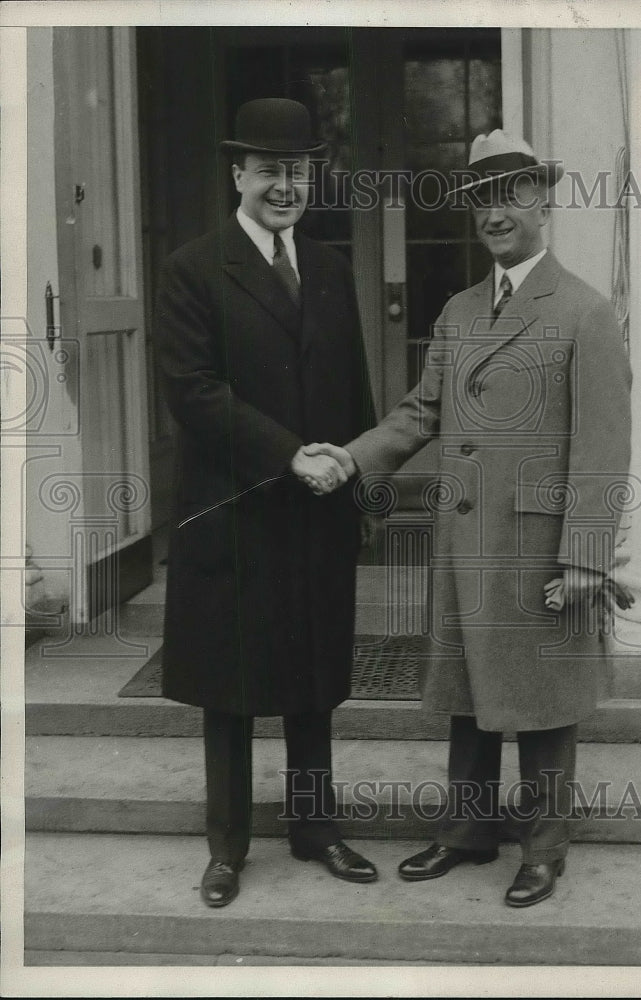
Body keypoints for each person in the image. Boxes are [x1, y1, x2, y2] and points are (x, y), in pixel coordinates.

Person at [308, 130, 632, 907]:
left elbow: (604, 444)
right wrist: (351, 457)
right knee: (468, 694)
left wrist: (585, 554)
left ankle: (545, 851)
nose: (496, 212)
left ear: (543, 201)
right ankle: (467, 831)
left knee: (546, 702)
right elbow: (423, 412)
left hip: (540, 544)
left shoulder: (585, 311)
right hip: (467, 540)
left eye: (513, 193)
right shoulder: (457, 311)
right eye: (482, 197)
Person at [154, 98, 377, 908]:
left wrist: (355, 475)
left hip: (319, 504)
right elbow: (193, 393)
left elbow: (351, 383)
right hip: (236, 508)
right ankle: (227, 847)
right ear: (237, 174)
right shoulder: (192, 267)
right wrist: (290, 453)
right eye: (269, 170)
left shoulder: (329, 266)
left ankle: (316, 830)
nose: (284, 185)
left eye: (298, 171)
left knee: (314, 675)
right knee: (231, 684)